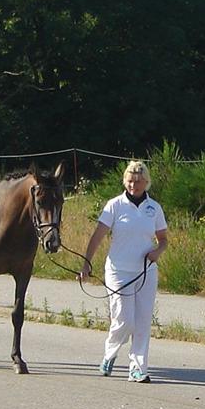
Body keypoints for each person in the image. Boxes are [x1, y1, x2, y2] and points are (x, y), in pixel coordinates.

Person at [77, 160, 168, 382]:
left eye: (138, 181)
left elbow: (163, 240)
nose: (133, 185)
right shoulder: (114, 205)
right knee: (124, 319)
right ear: (124, 181)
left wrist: (157, 251)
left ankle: (137, 368)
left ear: (146, 182)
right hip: (118, 271)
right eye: (130, 180)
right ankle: (110, 354)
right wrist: (86, 263)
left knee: (143, 321)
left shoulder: (153, 208)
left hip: (146, 271)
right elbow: (98, 236)